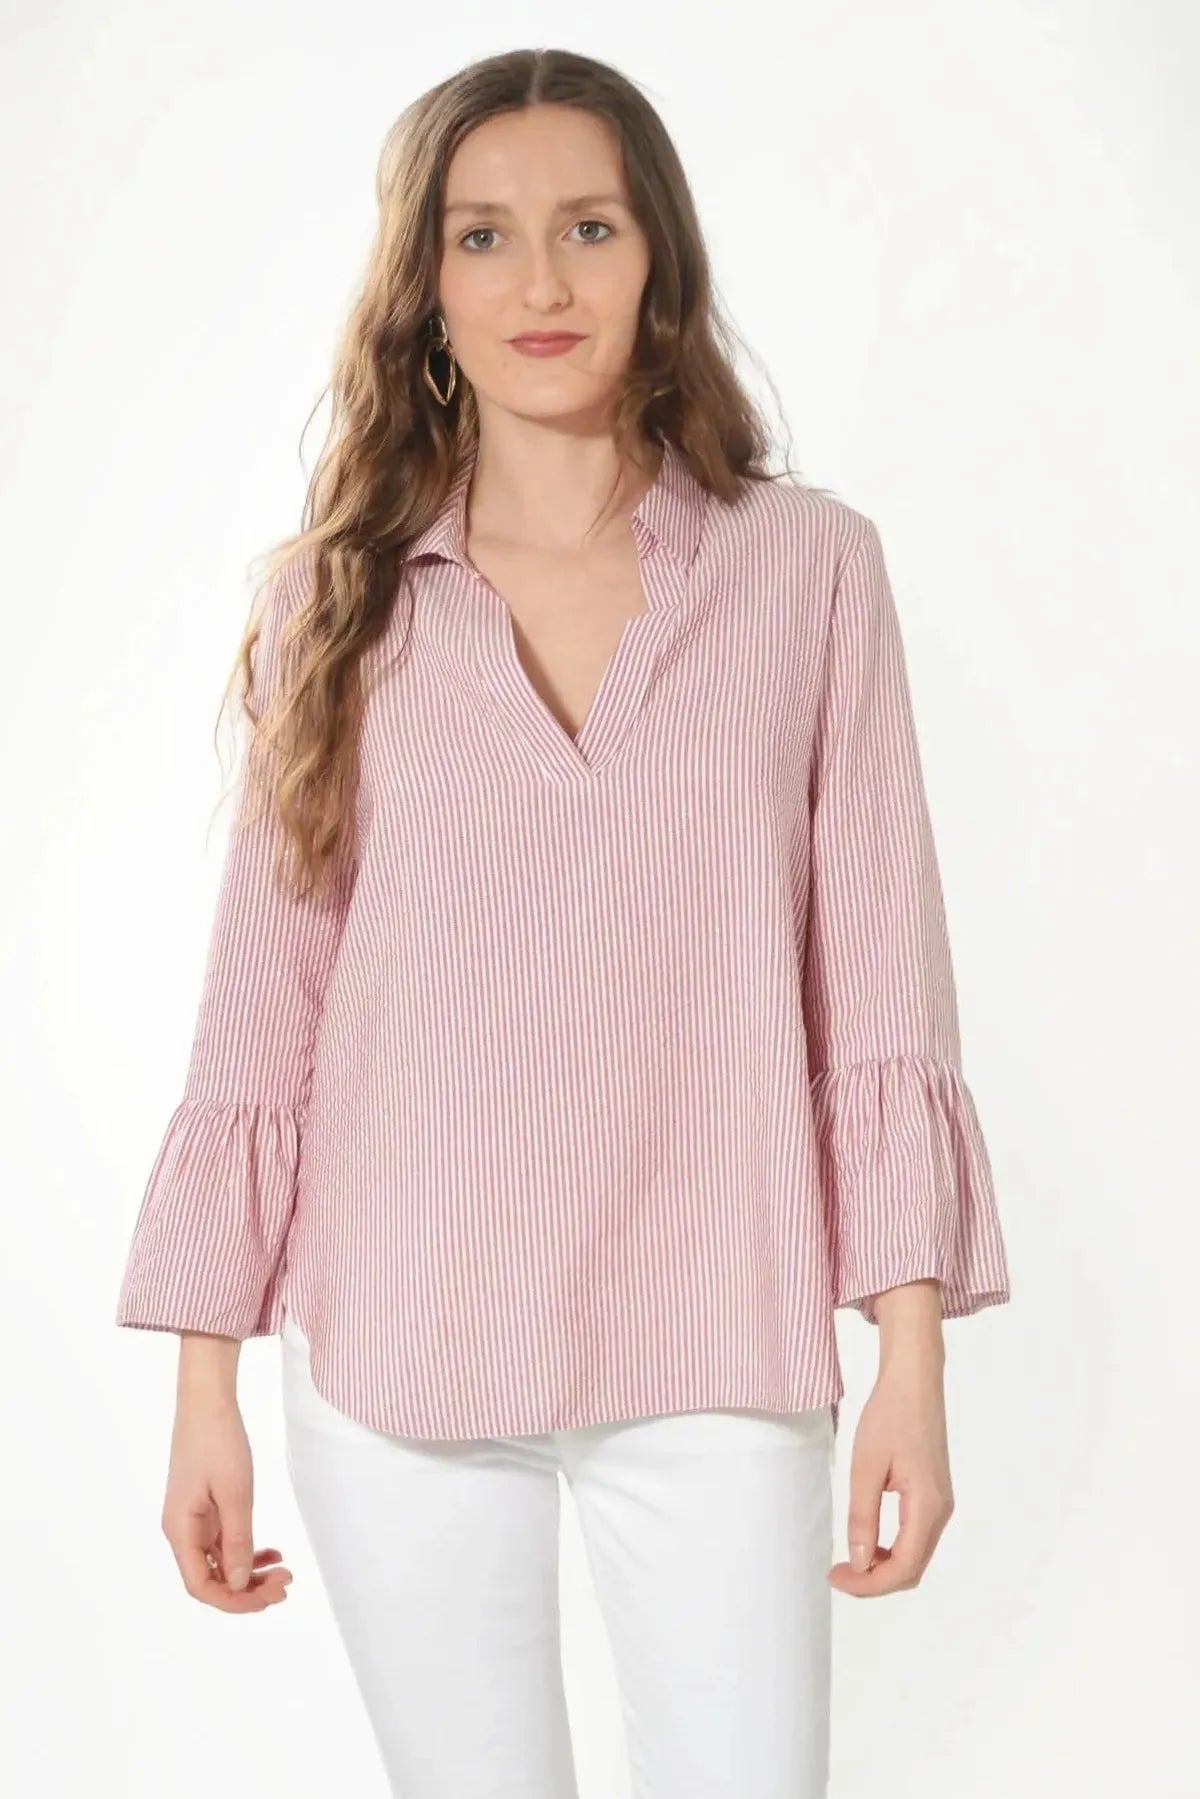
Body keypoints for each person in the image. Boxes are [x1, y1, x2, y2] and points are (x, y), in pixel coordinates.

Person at [115, 46, 1012, 1799]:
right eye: (484, 236)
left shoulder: (810, 570)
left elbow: (880, 981)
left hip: (715, 1321)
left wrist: (909, 1357)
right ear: (427, 288)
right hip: (400, 1336)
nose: (541, 281)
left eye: (589, 228)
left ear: (657, 258)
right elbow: (263, 1008)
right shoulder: (338, 601)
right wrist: (202, 1387)